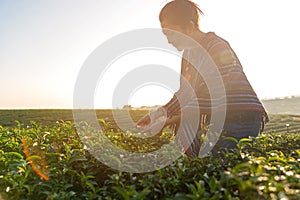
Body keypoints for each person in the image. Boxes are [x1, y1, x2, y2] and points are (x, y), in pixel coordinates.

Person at [136, 0, 268, 157]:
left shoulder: (216, 46)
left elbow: (215, 91)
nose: (169, 40)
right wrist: (156, 115)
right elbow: (185, 93)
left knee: (224, 172)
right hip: (222, 119)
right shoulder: (188, 55)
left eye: (171, 34)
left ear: (190, 27)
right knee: (214, 169)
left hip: (242, 117)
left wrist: (172, 119)